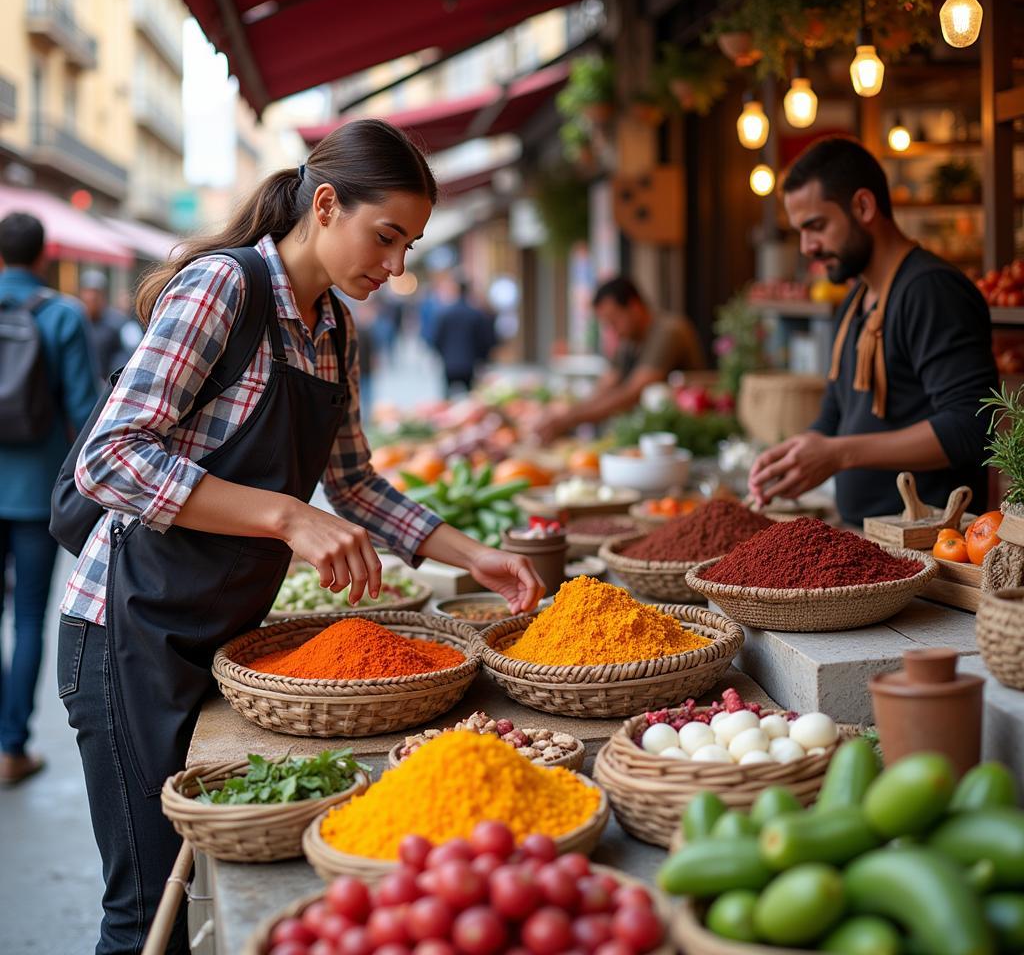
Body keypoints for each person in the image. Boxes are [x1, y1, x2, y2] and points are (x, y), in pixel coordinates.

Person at [57, 120, 545, 954]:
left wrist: (474, 555)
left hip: (221, 634)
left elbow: (354, 485)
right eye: (386, 237)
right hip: (126, 630)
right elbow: (110, 458)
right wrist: (285, 514)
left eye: (411, 245)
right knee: (145, 912)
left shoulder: (334, 331)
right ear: (326, 205)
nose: (396, 269)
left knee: (195, 888)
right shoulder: (224, 289)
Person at [748, 136, 997, 524]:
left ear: (863, 206)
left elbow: (971, 425)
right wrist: (803, 451)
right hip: (866, 544)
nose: (806, 247)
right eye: (799, 231)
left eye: (816, 226)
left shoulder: (931, 290)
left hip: (932, 551)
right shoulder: (853, 302)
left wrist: (839, 453)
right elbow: (835, 413)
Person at [0, 213, 97, 784]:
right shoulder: (60, 315)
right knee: (30, 616)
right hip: (37, 493)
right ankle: (12, 747)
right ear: (44, 256)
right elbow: (87, 416)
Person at [534, 276, 704, 443]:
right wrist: (564, 414)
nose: (613, 331)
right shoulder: (628, 341)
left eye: (614, 321)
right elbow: (606, 386)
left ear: (634, 307)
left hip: (682, 437)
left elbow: (633, 393)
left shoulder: (668, 331)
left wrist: (569, 419)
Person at [431, 279, 497, 396]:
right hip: (469, 363)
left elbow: (436, 338)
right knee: (470, 397)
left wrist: (443, 355)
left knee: (447, 398)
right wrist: (482, 358)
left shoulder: (445, 313)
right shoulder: (475, 314)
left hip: (449, 363)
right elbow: (484, 339)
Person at [79, 267, 143, 381]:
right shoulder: (76, 322)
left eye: (95, 294)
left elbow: (132, 352)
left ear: (103, 296)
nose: (91, 298)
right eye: (87, 293)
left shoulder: (119, 322)